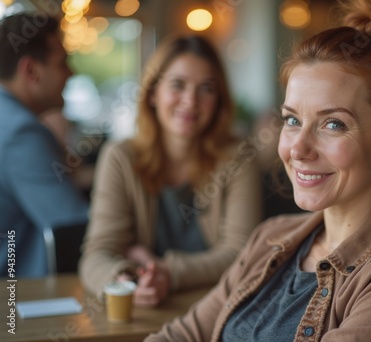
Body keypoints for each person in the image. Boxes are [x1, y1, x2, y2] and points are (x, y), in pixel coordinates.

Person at [144, 0, 371, 340]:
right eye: (293, 120)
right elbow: (185, 333)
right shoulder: (271, 237)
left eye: (333, 125)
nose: (298, 148)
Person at [78, 34, 263, 307]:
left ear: (219, 100)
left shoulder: (238, 158)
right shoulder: (120, 157)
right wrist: (124, 282)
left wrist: (165, 271)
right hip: (146, 314)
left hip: (220, 310)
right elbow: (97, 254)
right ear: (153, 93)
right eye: (178, 85)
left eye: (207, 88)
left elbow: (242, 253)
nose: (190, 101)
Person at [0, 12, 89, 278]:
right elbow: (73, 224)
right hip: (13, 300)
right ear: (31, 70)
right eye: (62, 63)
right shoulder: (20, 132)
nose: (71, 73)